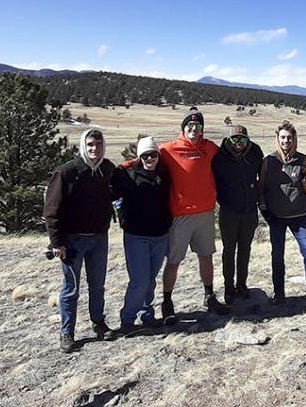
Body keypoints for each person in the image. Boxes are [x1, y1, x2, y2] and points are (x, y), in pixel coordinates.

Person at [43, 129, 117, 353]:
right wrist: (57, 242)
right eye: (91, 144)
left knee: (97, 286)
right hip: (72, 241)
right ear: (83, 146)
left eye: (99, 144)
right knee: (71, 289)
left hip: (99, 238)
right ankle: (67, 333)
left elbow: (116, 193)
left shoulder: (107, 169)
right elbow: (51, 209)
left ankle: (99, 323)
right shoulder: (67, 172)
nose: (95, 149)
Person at [159, 107, 230, 325]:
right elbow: (142, 162)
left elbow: (230, 159)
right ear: (183, 128)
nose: (194, 129)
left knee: (206, 255)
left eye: (198, 126)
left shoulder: (209, 148)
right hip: (181, 215)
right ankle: (167, 303)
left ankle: (209, 296)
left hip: (206, 213)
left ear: (202, 130)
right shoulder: (168, 149)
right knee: (174, 261)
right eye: (190, 126)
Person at [258, 120, 306, 312]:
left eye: (289, 137)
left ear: (294, 139)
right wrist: (264, 209)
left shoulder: (304, 161)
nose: (286, 141)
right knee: (277, 256)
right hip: (276, 217)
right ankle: (279, 295)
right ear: (277, 139)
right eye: (283, 137)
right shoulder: (268, 162)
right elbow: (261, 187)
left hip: (299, 216)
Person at [111, 136, 173, 332]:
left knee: (151, 279)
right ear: (139, 157)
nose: (149, 159)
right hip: (136, 236)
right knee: (139, 281)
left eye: (153, 154)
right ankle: (127, 319)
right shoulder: (126, 175)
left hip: (160, 235)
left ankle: (147, 314)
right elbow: (111, 193)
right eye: (145, 155)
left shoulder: (164, 173)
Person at [212, 124, 264, 304]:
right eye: (235, 139)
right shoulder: (220, 157)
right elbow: (213, 181)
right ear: (229, 139)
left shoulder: (255, 153)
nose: (239, 142)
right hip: (229, 211)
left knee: (245, 249)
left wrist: (258, 198)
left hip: (250, 210)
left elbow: (261, 178)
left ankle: (241, 284)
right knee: (228, 250)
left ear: (247, 139)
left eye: (242, 139)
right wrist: (222, 200)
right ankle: (228, 287)